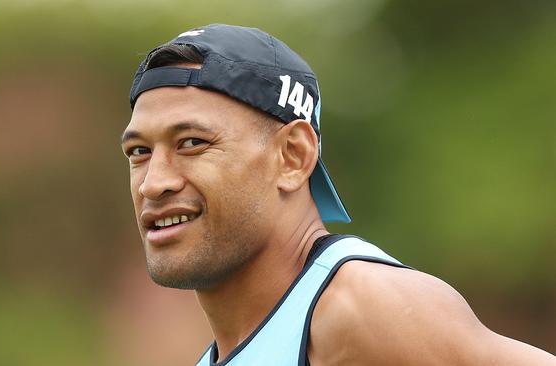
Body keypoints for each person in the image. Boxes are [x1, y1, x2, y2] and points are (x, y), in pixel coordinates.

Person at [121, 23, 556, 365]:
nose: (153, 182)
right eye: (139, 152)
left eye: (193, 143)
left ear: (293, 156)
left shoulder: (362, 309)